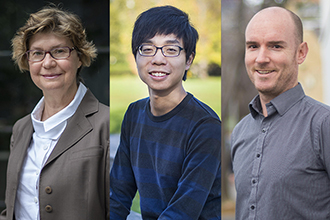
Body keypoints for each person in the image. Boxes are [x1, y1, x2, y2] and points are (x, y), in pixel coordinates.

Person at [110, 5, 221, 220]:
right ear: (136, 56)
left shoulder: (205, 126)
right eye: (148, 48)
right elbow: (118, 194)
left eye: (171, 50)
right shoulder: (134, 114)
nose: (158, 59)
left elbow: (181, 213)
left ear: (188, 60)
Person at [0, 6, 109, 220]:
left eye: (59, 51)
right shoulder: (21, 129)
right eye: (37, 53)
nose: (48, 63)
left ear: (80, 57)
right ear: (27, 61)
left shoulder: (105, 125)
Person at [231, 6, 330, 219]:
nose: (261, 58)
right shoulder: (240, 132)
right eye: (253, 46)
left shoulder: (323, 124)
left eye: (275, 46)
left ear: (301, 52)